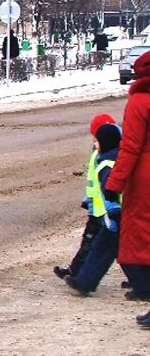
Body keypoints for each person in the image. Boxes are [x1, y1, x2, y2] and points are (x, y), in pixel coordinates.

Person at [106, 51, 150, 328]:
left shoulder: (139, 102)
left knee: (141, 240)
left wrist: (114, 184)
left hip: (144, 179)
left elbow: (131, 146)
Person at [54, 113, 117, 280]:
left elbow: (102, 183)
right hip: (98, 206)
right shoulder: (103, 151)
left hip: (103, 209)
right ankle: (76, 271)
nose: (94, 141)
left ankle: (78, 274)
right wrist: (88, 199)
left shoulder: (105, 155)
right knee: (95, 242)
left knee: (95, 243)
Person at [64, 123, 122, 295]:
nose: (94, 144)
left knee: (105, 247)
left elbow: (110, 191)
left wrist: (111, 212)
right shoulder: (110, 159)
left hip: (115, 214)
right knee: (105, 247)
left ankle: (141, 284)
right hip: (115, 213)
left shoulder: (107, 163)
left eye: (97, 140)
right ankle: (84, 281)